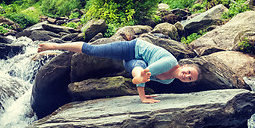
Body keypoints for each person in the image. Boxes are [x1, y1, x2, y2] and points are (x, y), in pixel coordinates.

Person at [37, 39, 200, 103]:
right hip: (130, 49)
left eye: (189, 79)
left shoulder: (168, 80)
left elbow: (144, 76)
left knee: (140, 72)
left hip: (135, 64)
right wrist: (142, 92)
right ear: (185, 66)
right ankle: (55, 46)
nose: (186, 76)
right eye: (188, 72)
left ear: (188, 83)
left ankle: (137, 78)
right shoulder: (170, 62)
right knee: (93, 50)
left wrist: (142, 93)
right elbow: (146, 75)